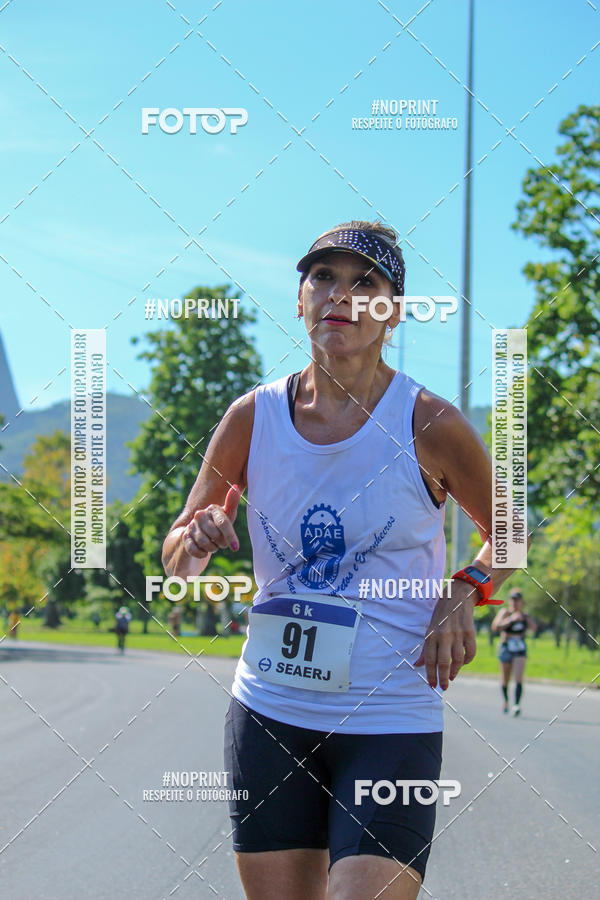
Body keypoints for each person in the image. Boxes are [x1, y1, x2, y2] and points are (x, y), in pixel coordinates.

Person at [162, 220, 522, 899]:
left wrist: (463, 590)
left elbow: (511, 532)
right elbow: (177, 558)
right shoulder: (251, 418)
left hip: (389, 716)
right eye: (323, 276)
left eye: (367, 283)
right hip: (271, 710)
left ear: (393, 314)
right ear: (299, 299)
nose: (341, 296)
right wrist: (197, 537)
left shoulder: (430, 423)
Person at [492, 589, 536, 716]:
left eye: (517, 600)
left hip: (519, 647)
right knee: (505, 678)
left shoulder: (524, 615)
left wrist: (526, 619)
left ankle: (516, 704)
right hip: (506, 646)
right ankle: (506, 701)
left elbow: (534, 628)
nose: (515, 603)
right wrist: (511, 619)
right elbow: (495, 627)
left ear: (522, 602)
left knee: (518, 677)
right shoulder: (505, 613)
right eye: (512, 600)